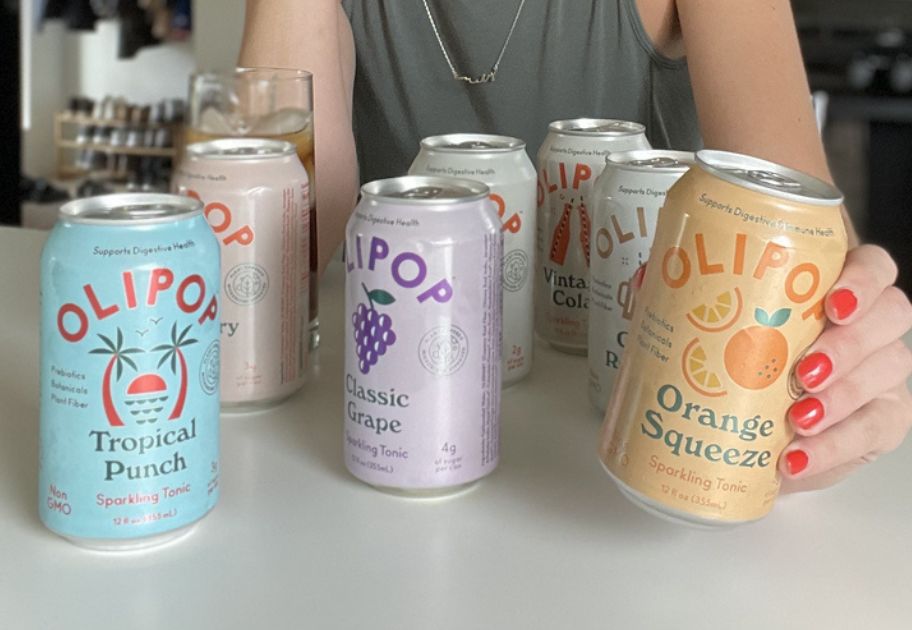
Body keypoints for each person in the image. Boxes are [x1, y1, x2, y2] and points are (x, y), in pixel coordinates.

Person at [239, 0, 912, 493]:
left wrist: (850, 360)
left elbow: (801, 234)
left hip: (624, 457)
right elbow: (282, 258)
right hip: (401, 440)